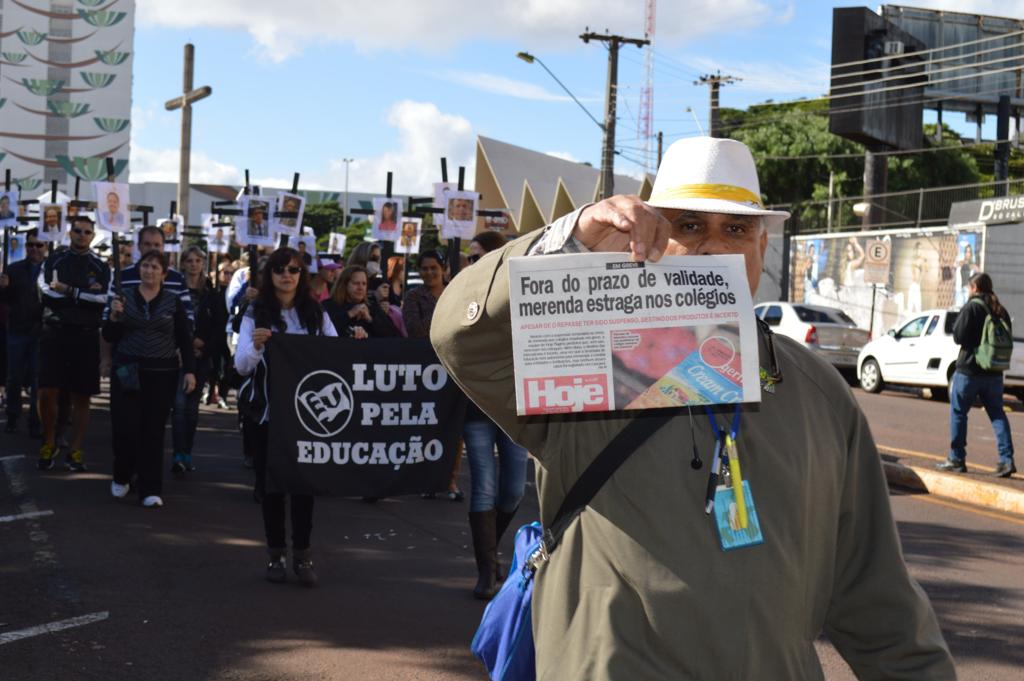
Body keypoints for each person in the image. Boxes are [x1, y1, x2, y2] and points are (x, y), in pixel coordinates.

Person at [430, 136, 954, 679]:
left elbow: (875, 595)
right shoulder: (592, 354)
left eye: (735, 229)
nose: (712, 247)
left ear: (762, 245)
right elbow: (462, 337)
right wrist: (572, 238)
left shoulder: (817, 390)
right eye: (687, 226)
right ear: (651, 240)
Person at [234, 247, 338, 586]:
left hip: (307, 416)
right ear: (270, 274)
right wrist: (258, 345)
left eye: (293, 269)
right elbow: (241, 365)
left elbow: (336, 354)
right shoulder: (255, 312)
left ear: (302, 274)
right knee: (271, 486)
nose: (287, 275)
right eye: (279, 269)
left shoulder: (316, 314)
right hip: (266, 412)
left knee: (304, 486)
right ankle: (275, 553)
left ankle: (303, 555)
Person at [460, 230, 529, 599]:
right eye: (469, 258)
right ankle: (486, 569)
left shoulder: (521, 289)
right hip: (475, 405)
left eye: (477, 257)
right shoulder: (463, 294)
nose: (471, 264)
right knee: (484, 483)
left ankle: (490, 549)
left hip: (514, 405)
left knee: (514, 489)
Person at [103, 251, 196, 506]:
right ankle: (122, 475)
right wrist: (113, 316)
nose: (149, 271)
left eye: (155, 267)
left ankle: (150, 489)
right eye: (145, 266)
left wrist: (189, 370)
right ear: (138, 269)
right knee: (125, 427)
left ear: (164, 273)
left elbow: (184, 339)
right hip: (127, 370)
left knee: (152, 431)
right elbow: (110, 335)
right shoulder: (124, 298)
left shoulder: (172, 301)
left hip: (161, 373)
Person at [37, 216, 111, 471]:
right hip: (54, 332)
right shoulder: (53, 259)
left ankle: (75, 451)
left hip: (86, 334)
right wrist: (84, 295)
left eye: (87, 232)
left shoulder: (101, 266)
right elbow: (47, 294)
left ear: (92, 236)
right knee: (47, 392)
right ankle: (49, 442)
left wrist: (70, 291)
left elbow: (102, 300)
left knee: (82, 395)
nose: (81, 235)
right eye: (77, 230)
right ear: (70, 233)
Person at [939, 272, 1016, 478]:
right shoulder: (1001, 309)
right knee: (997, 414)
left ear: (974, 288)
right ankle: (1006, 460)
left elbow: (958, 336)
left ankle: (956, 458)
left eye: (969, 288)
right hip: (994, 372)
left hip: (969, 371)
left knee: (959, 413)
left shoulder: (972, 306)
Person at [170, 246, 223, 474]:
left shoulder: (212, 294)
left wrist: (204, 346)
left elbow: (219, 326)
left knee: (192, 409)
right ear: (182, 264)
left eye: (198, 260)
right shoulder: (173, 291)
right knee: (179, 406)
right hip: (179, 356)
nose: (193, 265)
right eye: (189, 260)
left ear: (203, 264)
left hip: (201, 357)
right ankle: (177, 455)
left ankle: (187, 452)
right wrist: (182, 345)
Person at [0, 230, 47, 436]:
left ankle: (35, 420)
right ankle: (12, 416)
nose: (34, 249)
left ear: (45, 247)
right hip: (17, 329)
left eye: (39, 245)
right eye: (31, 245)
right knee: (14, 377)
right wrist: (2, 287)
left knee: (38, 378)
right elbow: (5, 300)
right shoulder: (14, 269)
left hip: (41, 331)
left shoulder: (51, 269)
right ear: (25, 246)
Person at [109, 226, 195, 326]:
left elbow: (188, 315)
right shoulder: (123, 277)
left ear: (163, 247)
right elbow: (109, 313)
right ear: (139, 246)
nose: (152, 249)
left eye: (157, 245)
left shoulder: (177, 279)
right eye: (147, 244)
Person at [324, 265, 400, 338]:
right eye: (356, 283)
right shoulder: (329, 305)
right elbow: (324, 330)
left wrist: (370, 320)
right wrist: (349, 314)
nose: (360, 288)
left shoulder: (373, 307)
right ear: (344, 284)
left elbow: (394, 335)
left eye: (364, 284)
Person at [402, 250, 445, 339]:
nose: (429, 272)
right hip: (424, 349)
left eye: (433, 268)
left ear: (442, 269)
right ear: (419, 272)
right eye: (425, 269)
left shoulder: (454, 292)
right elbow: (415, 332)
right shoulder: (412, 296)